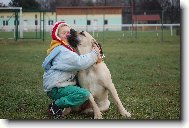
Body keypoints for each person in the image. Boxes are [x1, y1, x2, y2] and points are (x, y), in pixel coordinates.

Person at [42, 21, 101, 118]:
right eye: (63, 33)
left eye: (68, 32)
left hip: (58, 84)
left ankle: (65, 105)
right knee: (84, 94)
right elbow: (79, 62)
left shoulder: (63, 48)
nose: (67, 35)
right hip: (57, 87)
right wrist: (94, 54)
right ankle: (55, 105)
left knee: (79, 85)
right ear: (57, 36)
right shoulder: (62, 51)